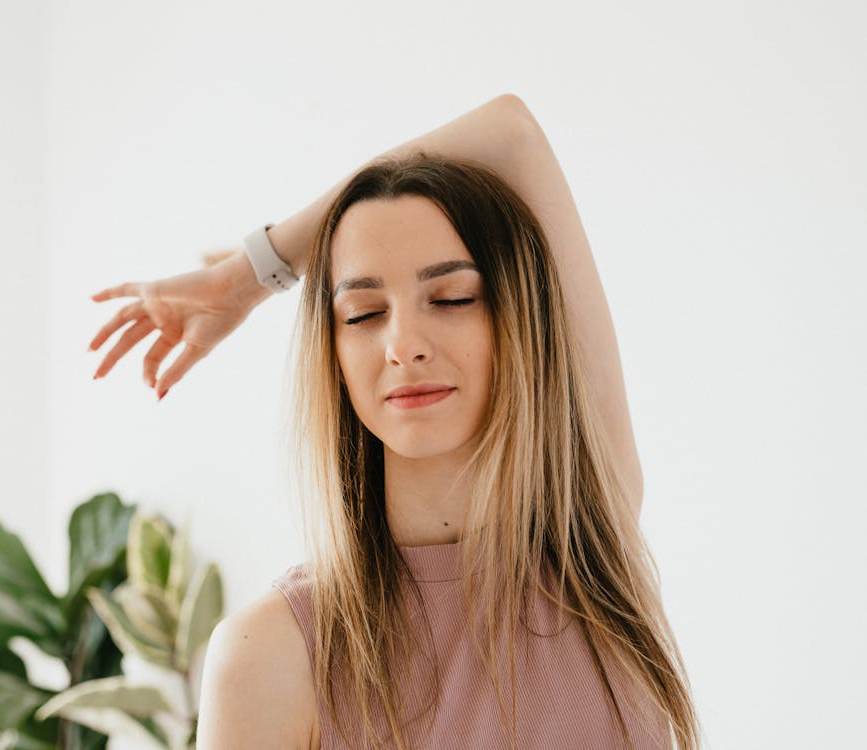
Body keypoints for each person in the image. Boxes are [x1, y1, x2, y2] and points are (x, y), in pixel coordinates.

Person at [88, 94, 701, 749]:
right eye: (362, 313)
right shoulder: (273, 653)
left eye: (451, 298)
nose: (402, 343)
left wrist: (249, 273)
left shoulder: (589, 544)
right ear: (334, 357)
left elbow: (510, 134)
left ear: (516, 324)